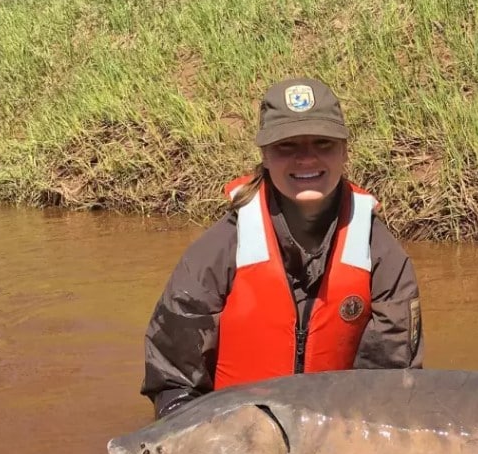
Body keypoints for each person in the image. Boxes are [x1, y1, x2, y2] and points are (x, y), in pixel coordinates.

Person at [142, 77, 424, 417]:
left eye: (323, 143)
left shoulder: (381, 255)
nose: (306, 159)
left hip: (334, 434)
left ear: (345, 151)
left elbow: (391, 385)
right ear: (264, 155)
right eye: (286, 146)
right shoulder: (217, 251)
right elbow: (173, 380)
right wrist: (188, 443)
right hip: (234, 439)